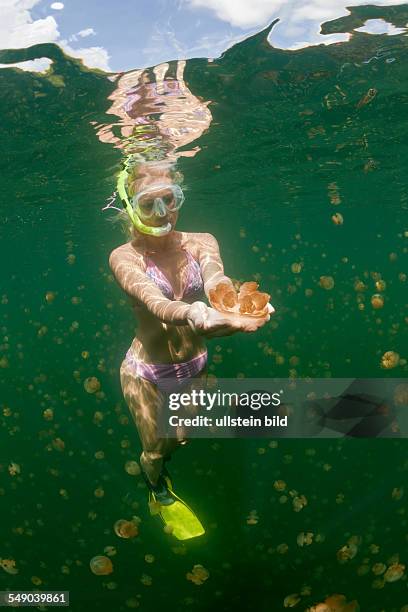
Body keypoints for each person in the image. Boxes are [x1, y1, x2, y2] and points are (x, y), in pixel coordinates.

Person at [109, 161, 273, 538]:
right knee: (155, 450)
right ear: (130, 206)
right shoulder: (125, 257)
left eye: (170, 198)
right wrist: (194, 313)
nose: (163, 212)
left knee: (181, 437)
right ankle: (156, 488)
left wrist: (234, 306)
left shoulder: (203, 241)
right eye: (148, 203)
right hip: (146, 372)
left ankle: (166, 461)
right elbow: (154, 301)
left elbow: (216, 277)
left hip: (196, 364)